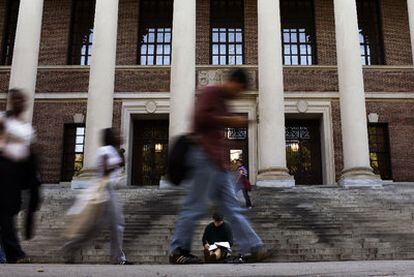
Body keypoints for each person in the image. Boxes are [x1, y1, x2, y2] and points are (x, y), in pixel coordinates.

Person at [169, 69, 270, 264]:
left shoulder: (223, 101)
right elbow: (199, 118)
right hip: (203, 157)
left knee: (233, 208)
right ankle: (177, 251)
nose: (238, 94)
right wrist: (229, 120)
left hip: (218, 164)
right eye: (238, 89)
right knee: (195, 206)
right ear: (232, 81)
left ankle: (254, 247)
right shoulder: (211, 92)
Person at [63, 128, 130, 265]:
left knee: (95, 228)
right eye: (116, 135)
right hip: (106, 190)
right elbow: (105, 169)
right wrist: (117, 164)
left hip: (107, 190)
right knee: (117, 224)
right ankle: (117, 258)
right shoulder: (105, 150)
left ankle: (71, 247)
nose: (119, 136)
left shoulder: (112, 150)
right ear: (110, 138)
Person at [0, 89, 35, 263]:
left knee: (9, 212)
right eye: (16, 99)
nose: (20, 102)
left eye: (22, 99)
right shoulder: (3, 120)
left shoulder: (26, 127)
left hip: (15, 173)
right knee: (6, 213)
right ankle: (15, 253)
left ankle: (9, 253)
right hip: (3, 168)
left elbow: (27, 153)